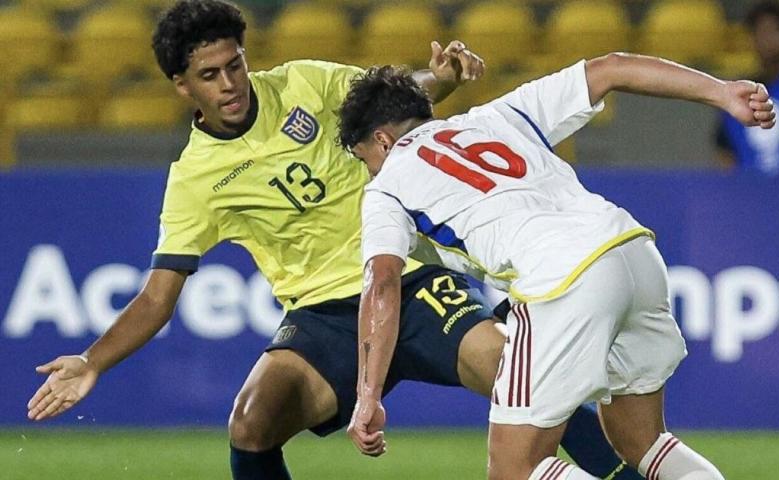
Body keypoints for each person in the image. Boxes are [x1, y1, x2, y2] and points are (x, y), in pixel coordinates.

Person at [25, 1, 644, 479]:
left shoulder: (303, 83)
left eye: (235, 64)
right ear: (182, 86)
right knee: (251, 423)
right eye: (209, 75)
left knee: (524, 380)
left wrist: (440, 77)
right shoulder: (194, 181)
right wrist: (93, 361)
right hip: (323, 316)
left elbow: (392, 105)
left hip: (410, 280)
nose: (230, 83)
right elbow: (157, 297)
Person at [338, 53, 775, 479]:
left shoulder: (386, 188)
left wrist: (367, 396)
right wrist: (721, 92)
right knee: (642, 441)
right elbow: (611, 68)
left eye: (364, 159)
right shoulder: (498, 116)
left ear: (382, 141)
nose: (370, 172)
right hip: (632, 251)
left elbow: (382, 283)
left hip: (562, 280)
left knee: (515, 468)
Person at [716, 0, 779, 174]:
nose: (766, 40)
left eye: (773, 31)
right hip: (750, 189)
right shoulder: (739, 92)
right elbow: (726, 152)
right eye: (760, 32)